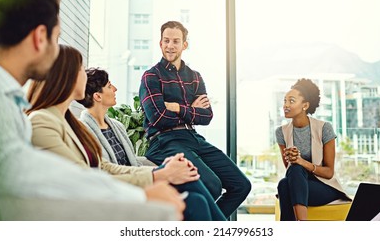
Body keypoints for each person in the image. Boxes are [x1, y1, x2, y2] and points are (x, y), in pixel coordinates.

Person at [0, 0, 183, 220]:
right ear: (40, 37)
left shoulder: (6, 99)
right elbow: (27, 173)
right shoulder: (3, 104)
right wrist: (141, 198)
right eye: (56, 38)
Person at [27, 44, 216, 221]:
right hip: (95, 203)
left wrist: (160, 171)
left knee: (191, 186)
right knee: (194, 201)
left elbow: (105, 167)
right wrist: (156, 177)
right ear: (65, 77)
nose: (84, 76)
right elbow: (83, 181)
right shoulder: (43, 121)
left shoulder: (71, 123)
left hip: (108, 189)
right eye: (80, 70)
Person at [77, 67, 227, 220]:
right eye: (109, 86)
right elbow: (104, 171)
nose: (115, 88)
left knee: (190, 183)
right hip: (126, 186)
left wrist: (164, 165)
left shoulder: (117, 126)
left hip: (139, 176)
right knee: (196, 199)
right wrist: (159, 171)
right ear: (97, 96)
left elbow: (133, 161)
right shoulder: (83, 131)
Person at [139, 20, 251, 218]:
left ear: (184, 45)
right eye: (166, 41)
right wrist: (191, 109)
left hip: (192, 137)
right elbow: (158, 117)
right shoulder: (151, 76)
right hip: (164, 141)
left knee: (241, 185)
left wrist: (175, 107)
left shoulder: (195, 77)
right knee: (212, 185)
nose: (170, 46)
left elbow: (206, 116)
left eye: (175, 41)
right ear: (160, 43)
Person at [275, 78, 351, 221]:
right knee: (285, 183)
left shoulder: (324, 128)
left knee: (290, 178)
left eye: (291, 101)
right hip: (298, 184)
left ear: (305, 105)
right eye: (284, 101)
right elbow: (289, 169)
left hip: (324, 187)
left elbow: (329, 173)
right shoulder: (281, 132)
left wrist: (302, 162)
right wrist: (292, 159)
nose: (285, 105)